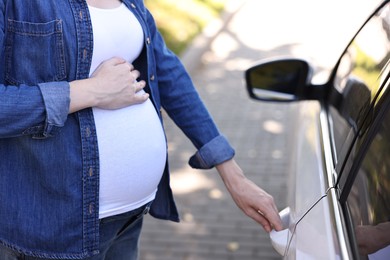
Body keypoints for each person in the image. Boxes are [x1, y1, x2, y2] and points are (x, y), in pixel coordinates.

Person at [0, 0, 282, 259]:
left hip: (131, 218)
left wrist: (233, 174)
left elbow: (167, 71)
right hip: (59, 229)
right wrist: (91, 91)